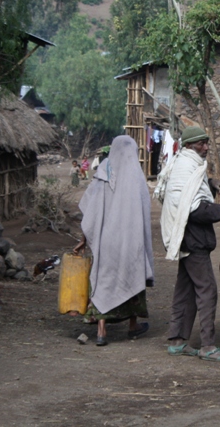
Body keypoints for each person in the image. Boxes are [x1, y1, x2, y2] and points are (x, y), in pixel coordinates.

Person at [154, 126, 220, 362]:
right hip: (193, 239)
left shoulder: (186, 164)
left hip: (186, 239)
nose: (206, 147)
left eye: (206, 143)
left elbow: (192, 190)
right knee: (207, 290)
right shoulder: (186, 166)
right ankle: (208, 346)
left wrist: (210, 183)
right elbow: (195, 209)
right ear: (189, 145)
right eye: (201, 143)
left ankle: (178, 341)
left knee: (185, 290)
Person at [72, 135, 154, 346]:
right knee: (133, 278)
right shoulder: (137, 177)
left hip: (107, 242)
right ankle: (133, 326)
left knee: (103, 283)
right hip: (131, 242)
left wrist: (83, 239)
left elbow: (90, 212)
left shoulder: (103, 174)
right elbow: (145, 213)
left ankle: (101, 332)